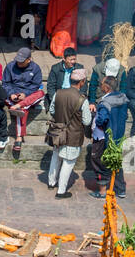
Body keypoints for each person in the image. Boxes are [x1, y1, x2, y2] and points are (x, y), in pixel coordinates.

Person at [47, 67, 91, 198]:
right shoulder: (82, 100)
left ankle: (51, 182)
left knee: (56, 155)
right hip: (74, 135)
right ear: (82, 82)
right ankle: (61, 191)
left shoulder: (58, 93)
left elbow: (52, 110)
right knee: (68, 161)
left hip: (58, 132)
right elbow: (87, 121)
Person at [87, 74, 129, 198]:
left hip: (106, 136)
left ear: (106, 88)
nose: (100, 86)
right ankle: (120, 189)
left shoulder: (105, 102)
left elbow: (102, 119)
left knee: (100, 161)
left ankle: (102, 191)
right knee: (115, 161)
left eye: (101, 84)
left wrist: (97, 119)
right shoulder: (123, 98)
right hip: (118, 135)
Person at [2, 46, 44, 151]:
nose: (19, 63)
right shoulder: (10, 66)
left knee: (41, 93)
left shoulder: (36, 68)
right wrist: (11, 94)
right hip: (13, 97)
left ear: (29, 59)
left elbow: (35, 85)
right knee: (21, 108)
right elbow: (5, 83)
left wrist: (25, 94)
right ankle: (19, 137)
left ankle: (19, 105)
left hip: (28, 96)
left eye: (22, 61)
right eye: (18, 61)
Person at [45, 45, 83, 112]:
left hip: (74, 97)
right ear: (64, 59)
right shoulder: (55, 68)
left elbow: (83, 87)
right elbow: (51, 87)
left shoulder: (79, 68)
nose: (73, 62)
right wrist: (56, 100)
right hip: (59, 97)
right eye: (71, 59)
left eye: (74, 59)